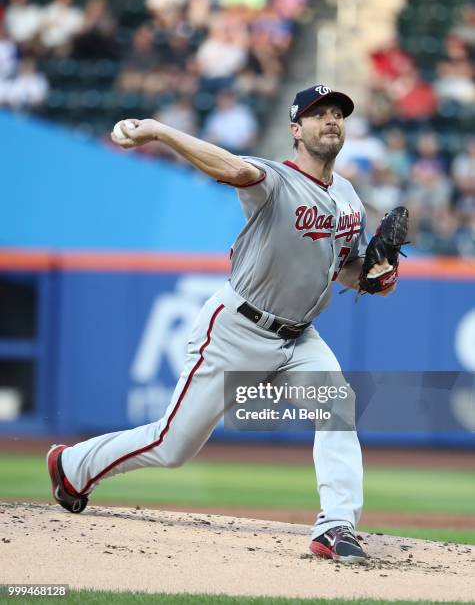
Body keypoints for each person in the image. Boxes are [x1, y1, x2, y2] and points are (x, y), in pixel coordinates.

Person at [47, 85, 397, 564]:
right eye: (318, 115)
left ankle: (336, 526)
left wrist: (374, 277)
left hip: (300, 337)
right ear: (296, 130)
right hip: (237, 329)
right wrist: (159, 130)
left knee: (337, 406)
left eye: (337, 113)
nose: (331, 120)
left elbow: (344, 269)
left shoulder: (349, 195)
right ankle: (71, 465)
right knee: (173, 445)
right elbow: (232, 168)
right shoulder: (274, 178)